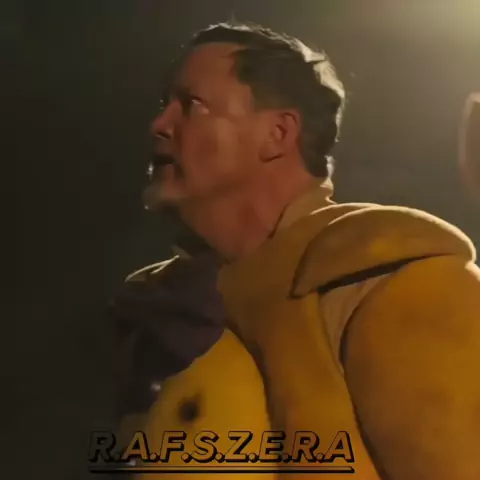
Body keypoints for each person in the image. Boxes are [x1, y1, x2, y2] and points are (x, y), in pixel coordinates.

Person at [110, 22, 480, 480]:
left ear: (278, 133)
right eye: (165, 104)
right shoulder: (157, 314)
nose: (160, 125)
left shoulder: (387, 280)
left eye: (192, 105)